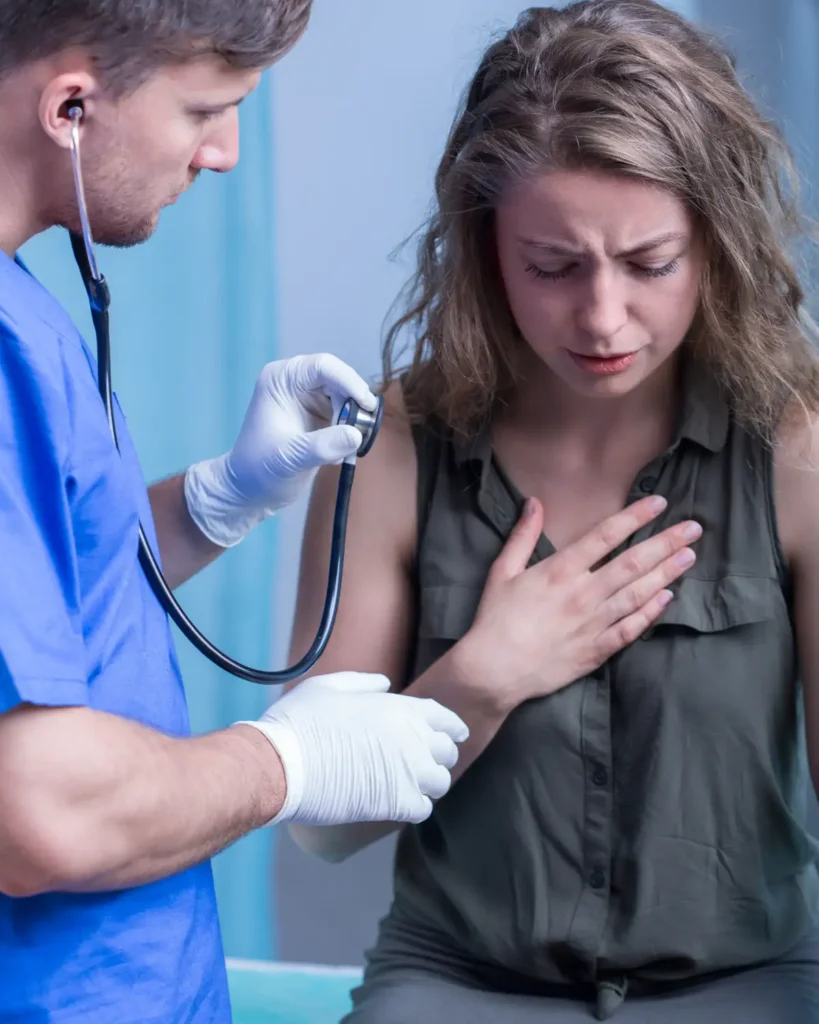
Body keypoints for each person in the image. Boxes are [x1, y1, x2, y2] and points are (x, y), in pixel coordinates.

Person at [286, 1, 819, 1021]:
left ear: (718, 245)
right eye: (554, 266)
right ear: (486, 251)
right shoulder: (393, 443)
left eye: (651, 264)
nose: (605, 317)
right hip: (459, 975)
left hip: (747, 978)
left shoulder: (797, 447)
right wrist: (484, 678)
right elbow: (323, 824)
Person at [0, 2, 472, 1022]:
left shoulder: (25, 309)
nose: (223, 154)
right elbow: (33, 813)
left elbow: (52, 609)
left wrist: (221, 501)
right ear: (71, 107)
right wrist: (288, 760)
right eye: (205, 111)